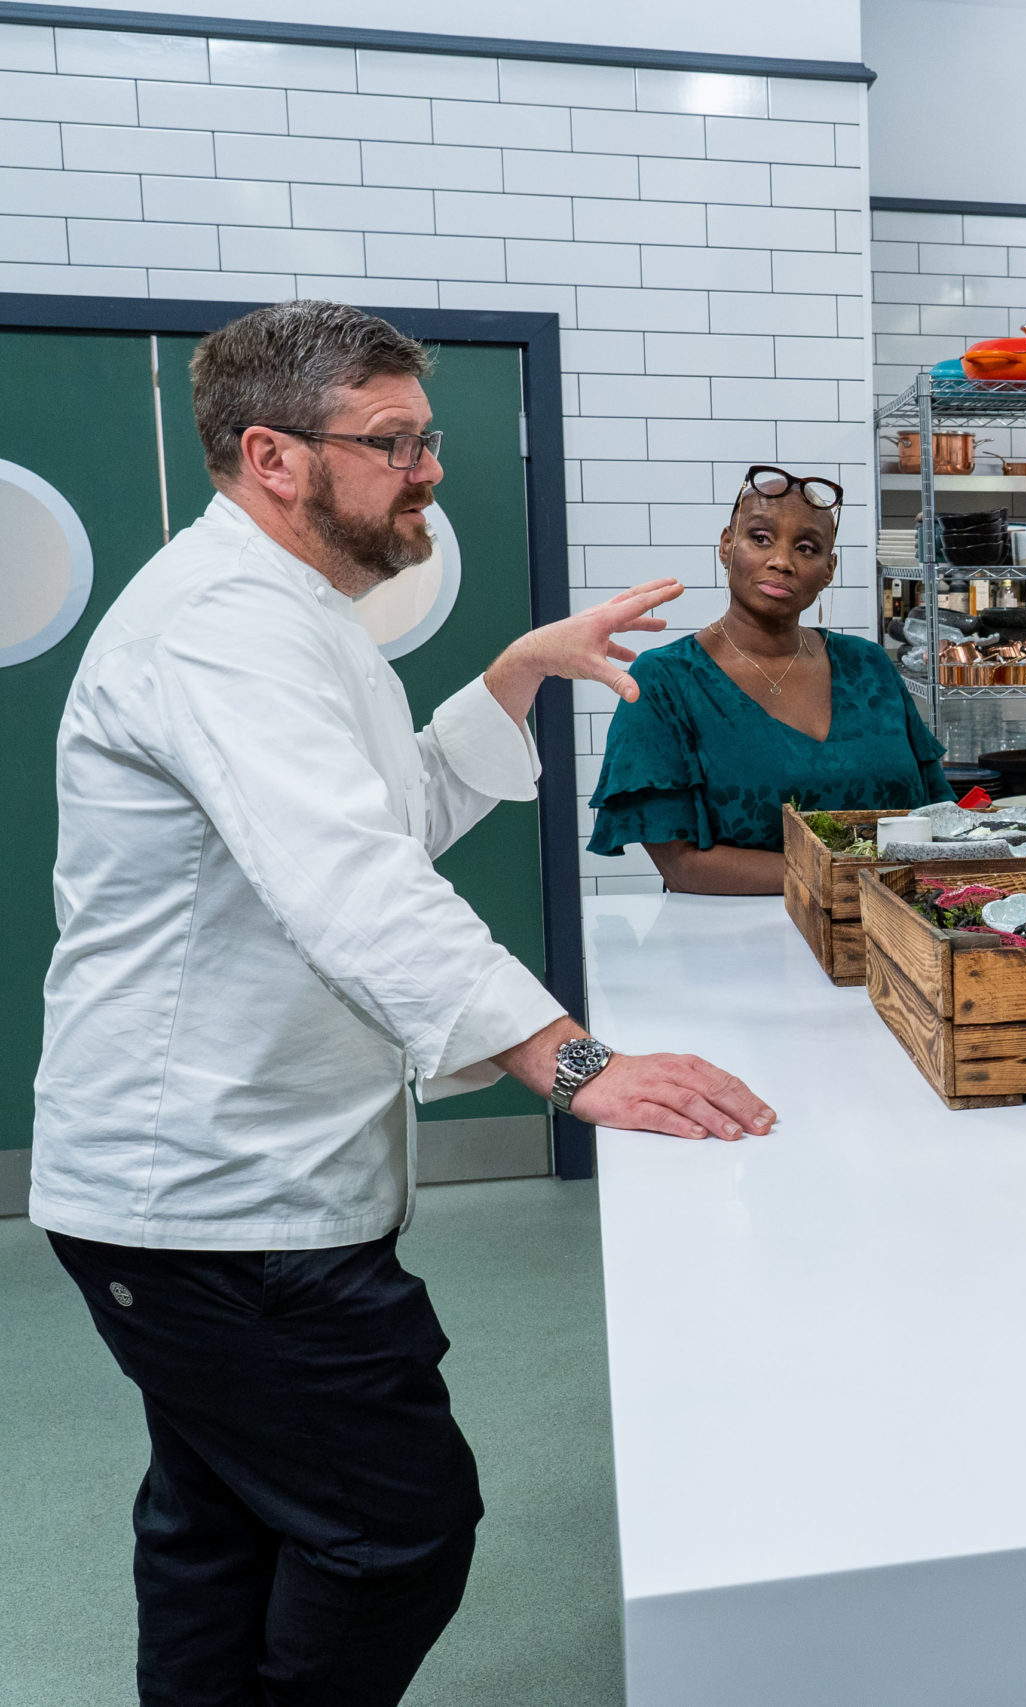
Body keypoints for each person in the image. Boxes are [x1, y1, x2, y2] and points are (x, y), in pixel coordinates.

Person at [32, 300, 776, 1707]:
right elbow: (348, 879)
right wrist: (570, 1059)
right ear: (273, 456)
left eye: (426, 435)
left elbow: (385, 813)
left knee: (219, 1522)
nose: (429, 468)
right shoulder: (220, 629)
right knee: (394, 1531)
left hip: (223, 1179)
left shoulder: (300, 614)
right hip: (210, 1191)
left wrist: (512, 676)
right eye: (392, 442)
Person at [587, 466, 951, 892]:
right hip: (737, 944)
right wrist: (856, 879)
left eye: (807, 548)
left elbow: (936, 814)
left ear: (829, 569)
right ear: (727, 546)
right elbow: (682, 865)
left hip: (894, 936)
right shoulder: (666, 680)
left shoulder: (868, 665)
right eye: (760, 539)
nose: (782, 561)